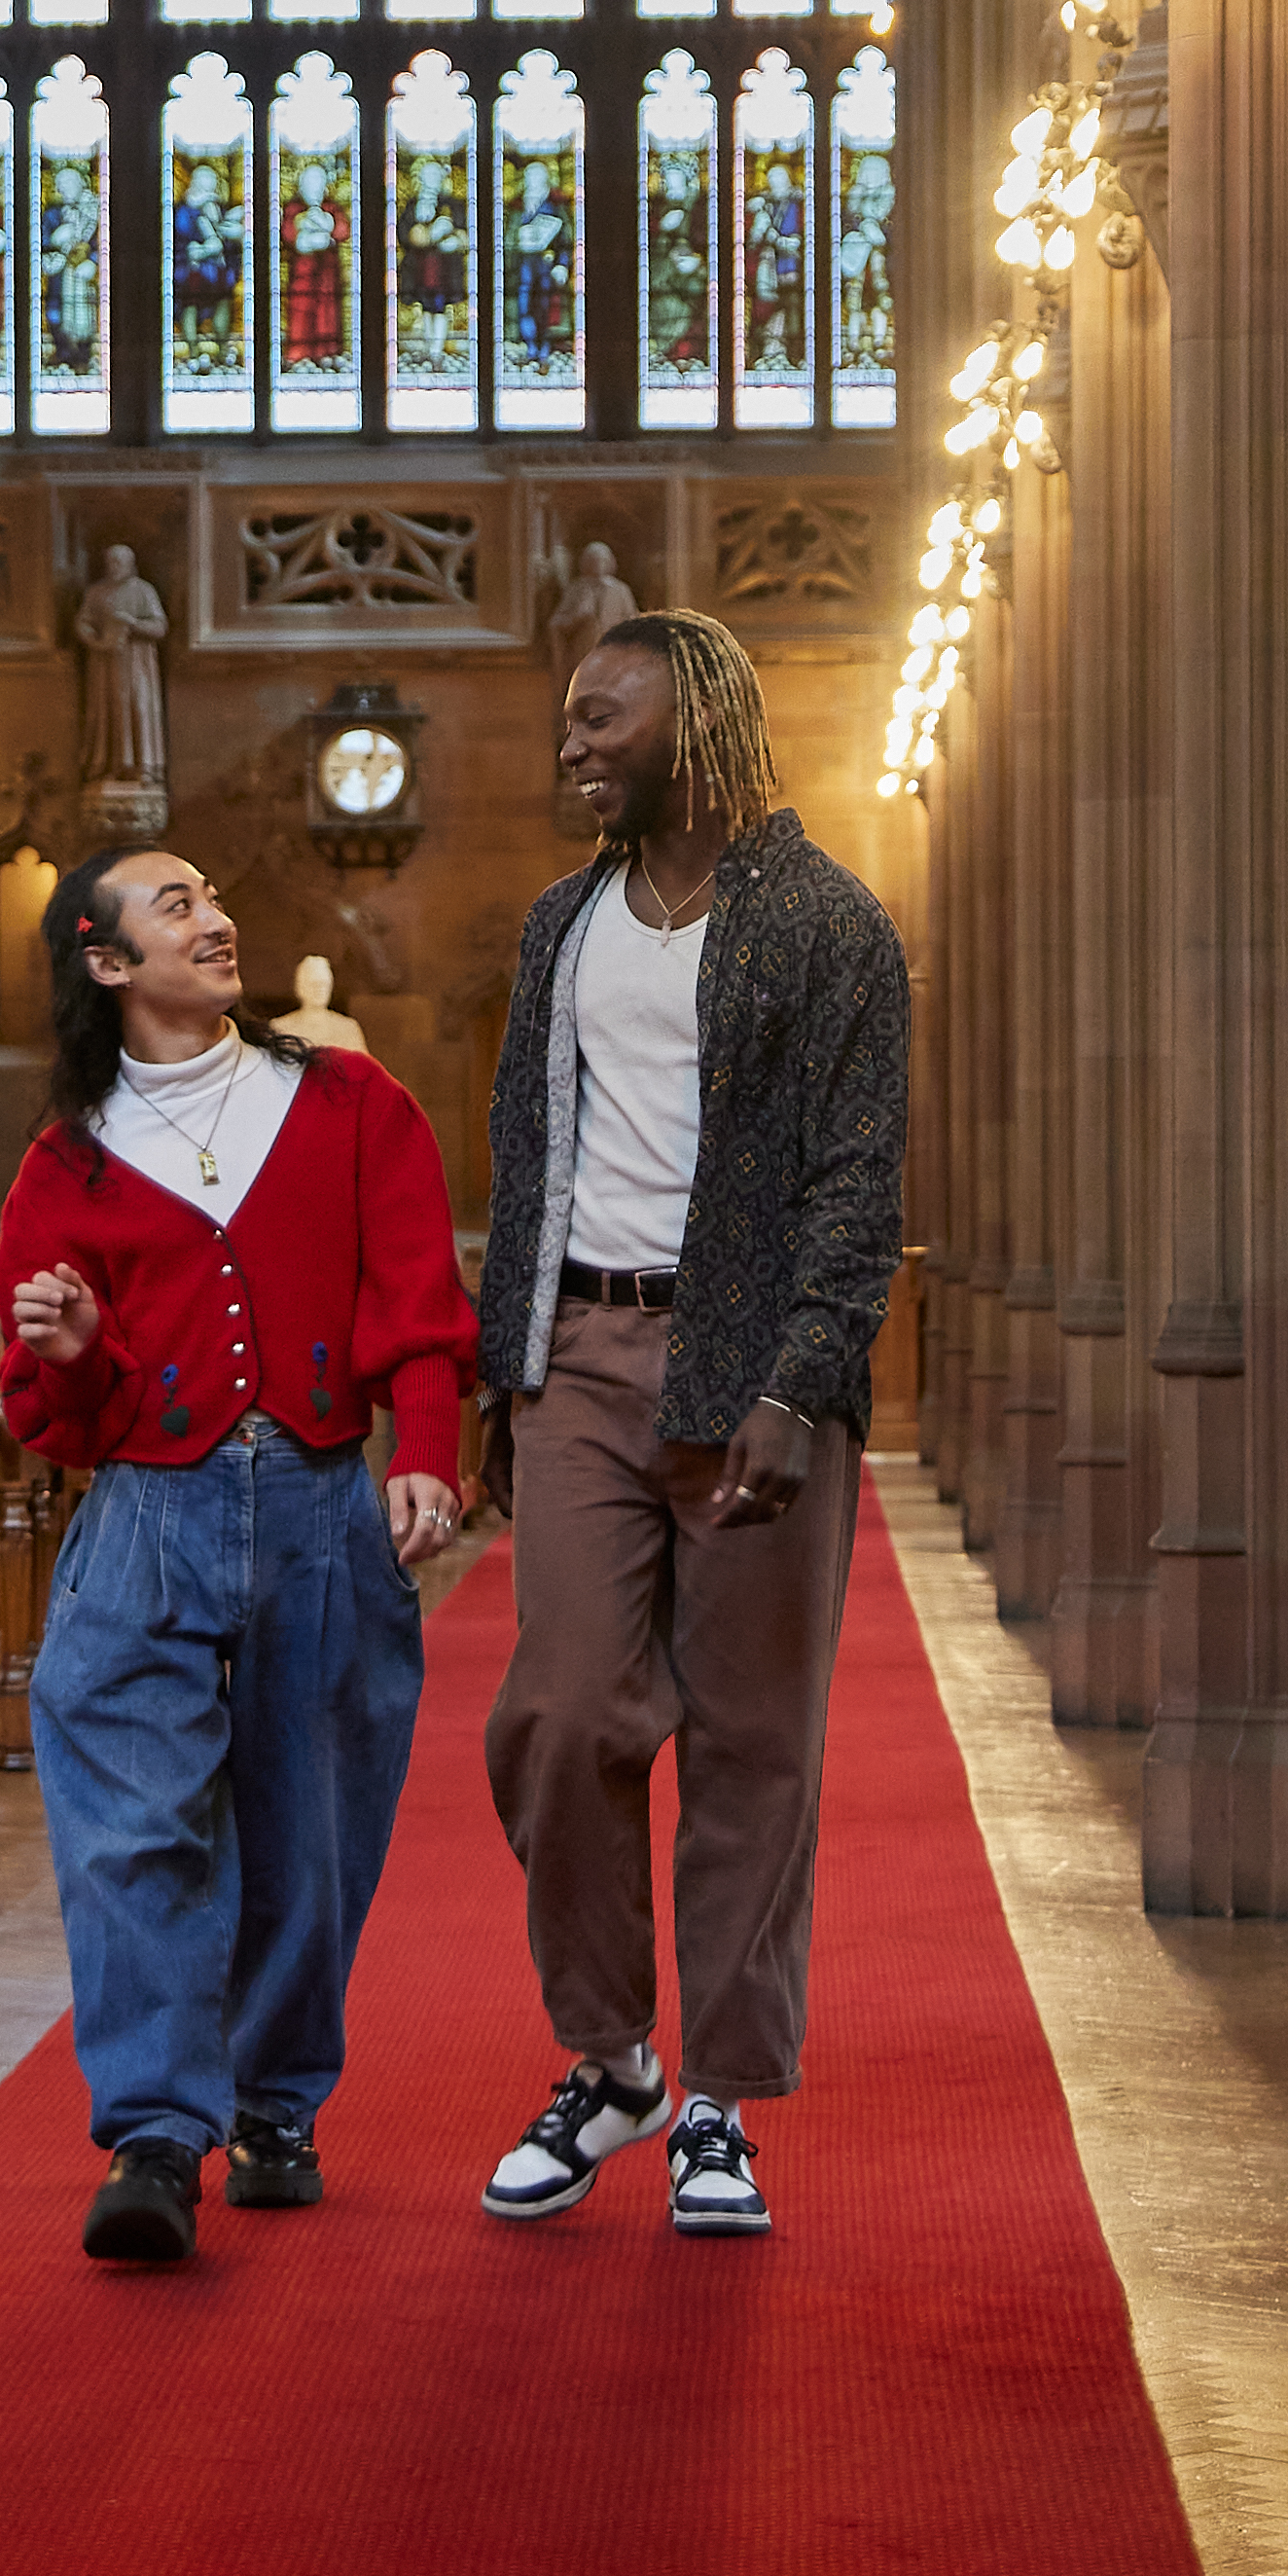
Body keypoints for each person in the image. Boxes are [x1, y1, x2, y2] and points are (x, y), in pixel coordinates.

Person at [466, 611, 907, 2244]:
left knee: (746, 1745)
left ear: (695, 722)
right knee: (562, 1714)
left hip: (753, 1367)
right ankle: (612, 2055)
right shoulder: (558, 925)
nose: (570, 742)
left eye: (599, 716)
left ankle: (716, 2097)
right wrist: (504, 1371)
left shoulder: (825, 923)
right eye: (567, 719)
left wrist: (799, 1382)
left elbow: (858, 1188)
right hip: (578, 1346)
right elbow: (525, 1154)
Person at [0, 844, 471, 2266]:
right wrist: (82, 1353)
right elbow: (50, 1420)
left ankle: (274, 2109)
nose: (217, 920)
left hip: (322, 1505)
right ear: (104, 960)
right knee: (133, 1827)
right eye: (175, 906)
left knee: (308, 1829)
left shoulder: (345, 1100)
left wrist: (429, 1450)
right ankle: (152, 2134)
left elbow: (419, 1297)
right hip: (146, 1515)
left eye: (210, 897)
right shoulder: (64, 1159)